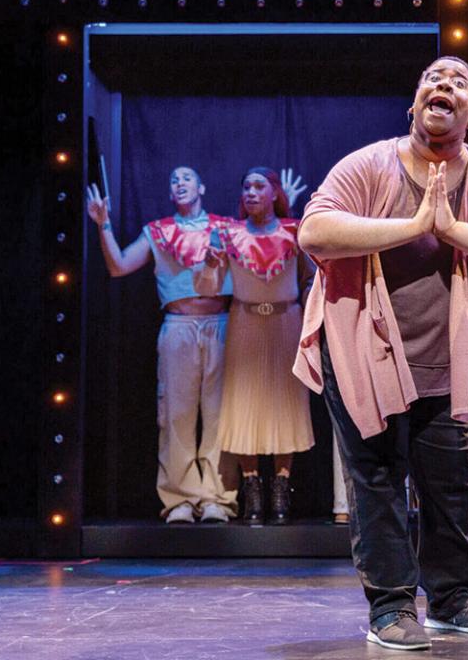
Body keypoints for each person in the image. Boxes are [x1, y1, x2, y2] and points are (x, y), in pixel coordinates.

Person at [293, 56, 468, 651]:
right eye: (433, 80)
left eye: (460, 83)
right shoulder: (368, 165)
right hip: (362, 352)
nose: (445, 86)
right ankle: (389, 608)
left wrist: (453, 229)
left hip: (446, 358)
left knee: (450, 482)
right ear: (415, 105)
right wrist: (414, 224)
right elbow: (315, 232)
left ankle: (452, 600)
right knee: (377, 480)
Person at [86, 166, 236, 524]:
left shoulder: (225, 229)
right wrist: (103, 224)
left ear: (201, 186)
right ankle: (180, 499)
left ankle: (217, 498)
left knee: (220, 415)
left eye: (187, 178)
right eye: (173, 180)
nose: (179, 183)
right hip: (179, 326)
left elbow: (264, 248)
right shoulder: (158, 231)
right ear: (170, 193)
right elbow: (119, 266)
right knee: (176, 414)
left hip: (221, 324)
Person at [195, 167, 315, 525]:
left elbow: (311, 278)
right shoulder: (228, 234)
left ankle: (280, 487)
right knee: (244, 402)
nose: (251, 192)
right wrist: (210, 264)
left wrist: (310, 314)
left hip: (285, 322)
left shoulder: (295, 231)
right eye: (246, 186)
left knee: (286, 402)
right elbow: (208, 287)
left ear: (273, 192)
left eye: (259, 186)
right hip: (245, 323)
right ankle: (252, 489)